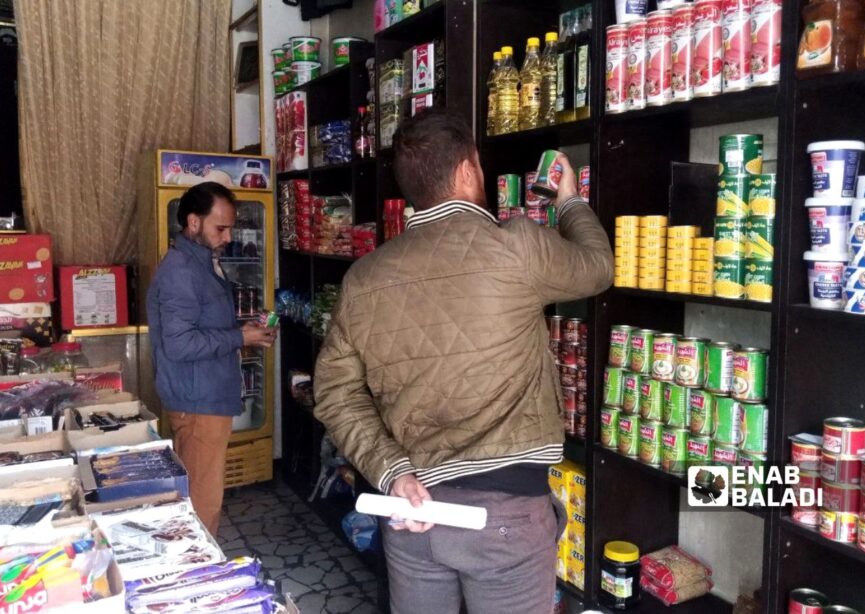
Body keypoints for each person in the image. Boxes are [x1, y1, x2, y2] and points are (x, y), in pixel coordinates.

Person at [313, 110, 613, 614]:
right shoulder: (516, 246)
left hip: (413, 512)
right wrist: (570, 202)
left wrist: (392, 473)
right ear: (468, 171)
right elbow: (598, 267)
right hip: (505, 521)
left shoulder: (364, 278)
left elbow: (335, 392)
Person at [147, 181, 275, 535]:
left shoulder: (202, 264)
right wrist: (239, 336)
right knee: (202, 504)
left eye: (231, 227)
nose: (229, 236)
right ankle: (202, 576)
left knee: (202, 495)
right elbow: (179, 344)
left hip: (206, 397)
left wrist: (245, 330)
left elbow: (202, 324)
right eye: (221, 227)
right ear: (193, 222)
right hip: (197, 402)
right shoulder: (181, 272)